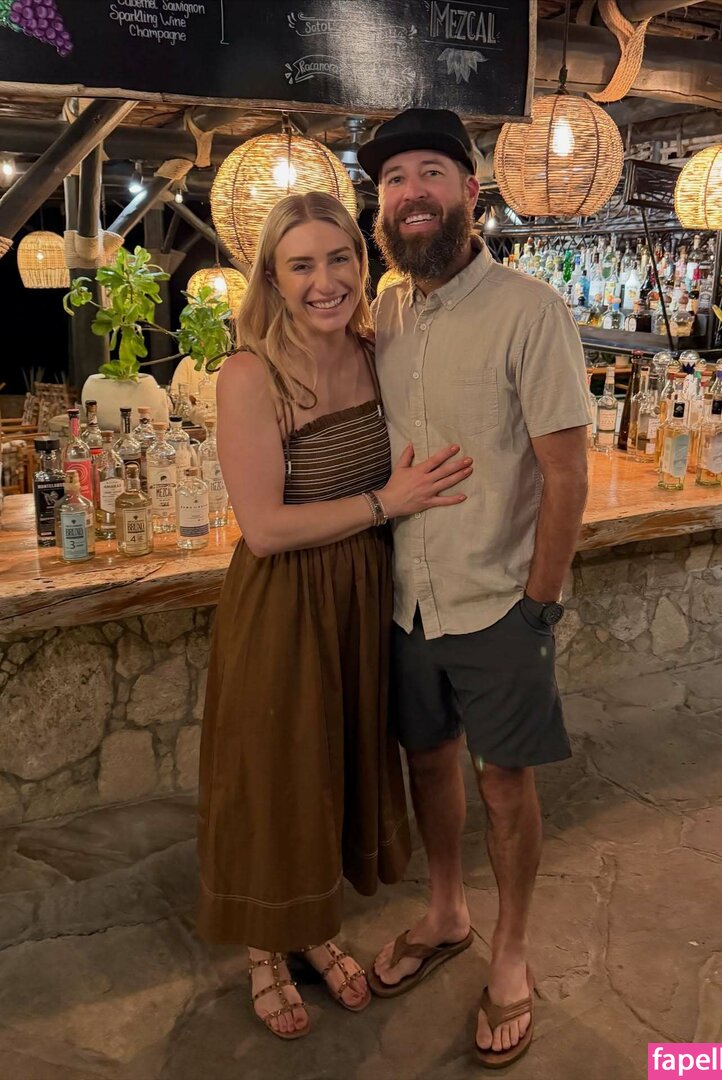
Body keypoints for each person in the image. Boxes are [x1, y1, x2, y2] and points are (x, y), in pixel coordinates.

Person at [196, 191, 473, 1040]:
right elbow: (265, 528)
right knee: (277, 775)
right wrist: (387, 503)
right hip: (285, 602)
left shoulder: (375, 348)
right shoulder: (251, 374)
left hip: (362, 592)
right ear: (272, 280)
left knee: (330, 770)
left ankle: (312, 929)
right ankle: (265, 950)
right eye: (301, 265)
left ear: (363, 260)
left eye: (339, 258)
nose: (325, 281)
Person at [358, 110, 593, 1068]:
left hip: (498, 597)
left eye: (430, 172)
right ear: (381, 206)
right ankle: (448, 912)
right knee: (428, 764)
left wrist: (539, 603)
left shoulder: (531, 311)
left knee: (504, 785)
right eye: (393, 180)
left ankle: (512, 951)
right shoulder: (385, 308)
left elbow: (566, 474)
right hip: (406, 598)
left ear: (469, 192)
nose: (410, 192)